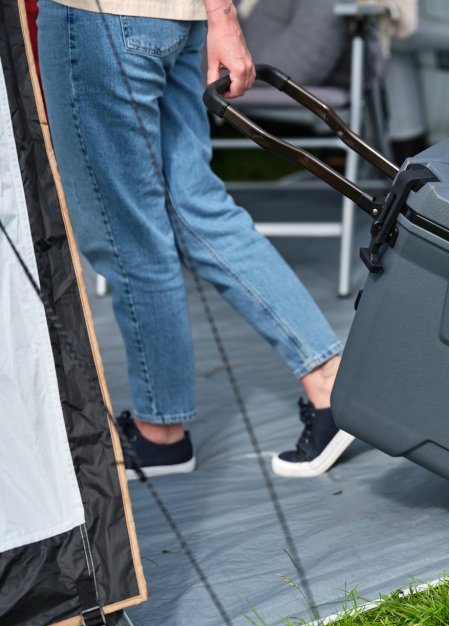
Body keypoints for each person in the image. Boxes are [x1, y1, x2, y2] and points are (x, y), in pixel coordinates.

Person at [36, 0, 353, 479]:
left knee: (127, 235)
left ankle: (161, 433)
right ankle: (328, 378)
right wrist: (221, 16)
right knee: (196, 210)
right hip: (177, 22)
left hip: (100, 19)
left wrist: (222, 17)